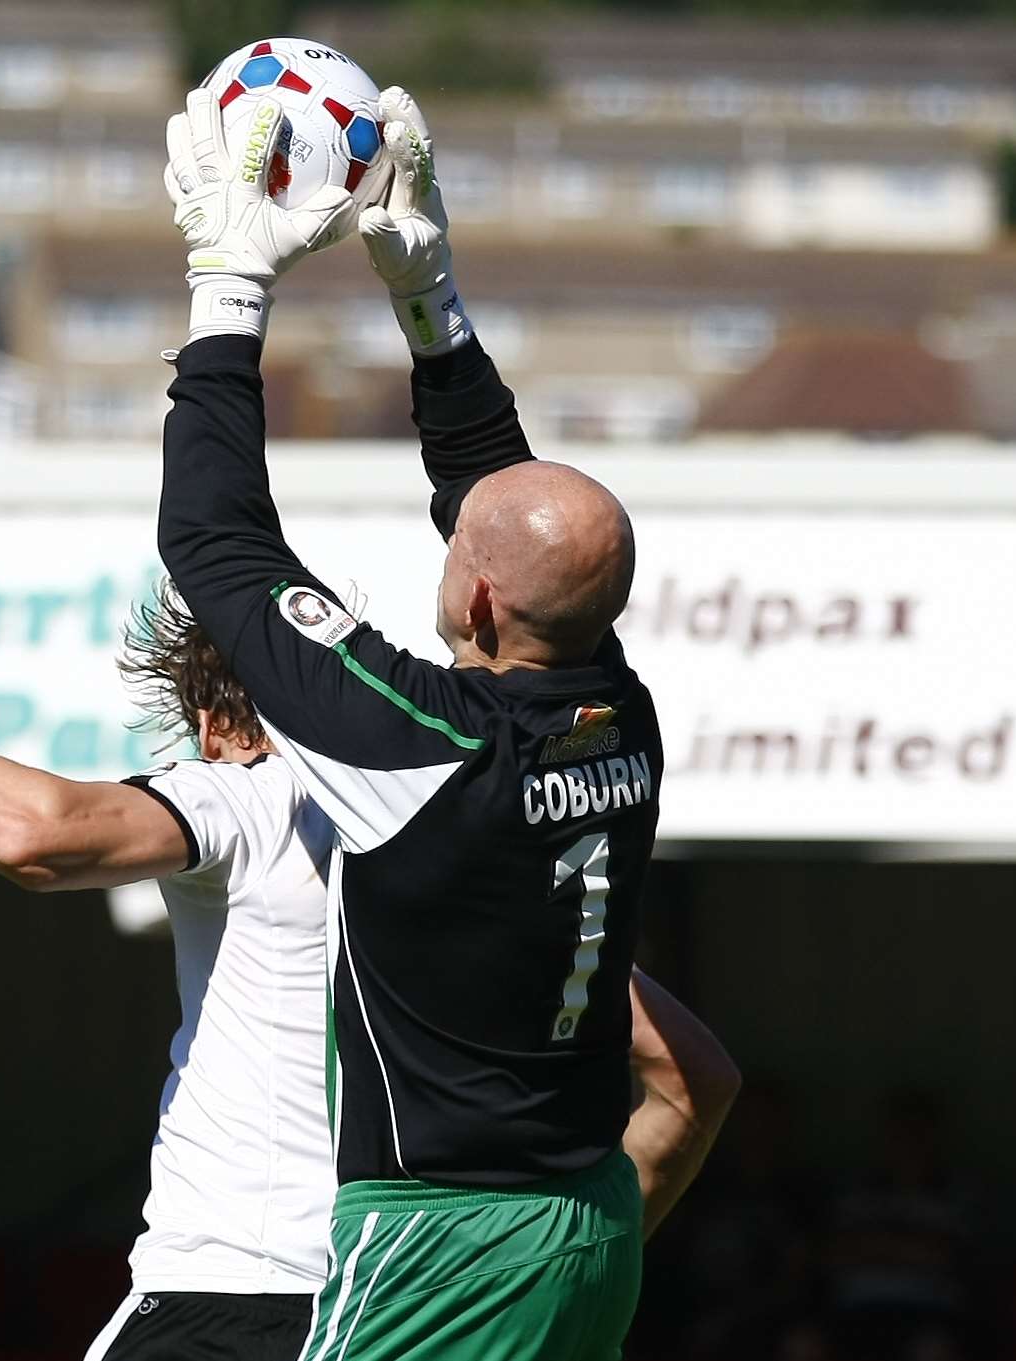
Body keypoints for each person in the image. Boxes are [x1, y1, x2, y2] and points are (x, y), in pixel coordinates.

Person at [0, 589, 735, 1360]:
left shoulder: (249, 789)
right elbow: (695, 1085)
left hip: (234, 1298)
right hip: (418, 1306)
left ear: (219, 724)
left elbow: (31, 834)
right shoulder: (468, 843)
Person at [158, 82, 663, 1358]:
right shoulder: (619, 709)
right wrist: (427, 302)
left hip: (441, 1237)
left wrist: (230, 286)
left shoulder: (428, 746)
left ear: (479, 591)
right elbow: (504, 504)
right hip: (587, 1217)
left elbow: (216, 546)